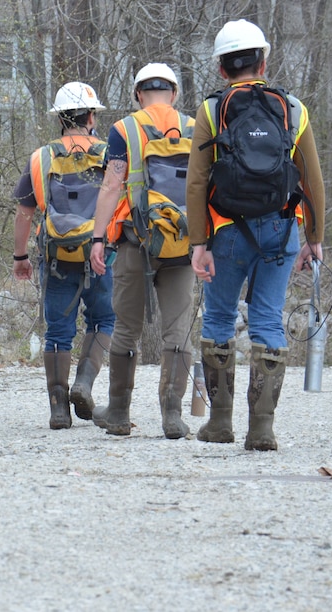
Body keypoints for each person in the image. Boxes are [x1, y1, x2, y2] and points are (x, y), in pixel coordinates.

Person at [187, 19, 325, 451]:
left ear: (221, 68)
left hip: (226, 231)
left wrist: (198, 243)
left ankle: (220, 423)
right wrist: (314, 237)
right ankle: (261, 429)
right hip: (283, 228)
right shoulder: (293, 109)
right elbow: (313, 179)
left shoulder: (212, 110)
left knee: (219, 317)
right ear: (264, 60)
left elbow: (196, 182)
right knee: (267, 317)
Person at [88, 63, 197, 439]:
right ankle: (172, 415)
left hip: (136, 241)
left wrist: (97, 238)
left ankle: (118, 412)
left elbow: (110, 186)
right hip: (184, 244)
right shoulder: (196, 128)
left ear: (137, 94)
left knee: (126, 327)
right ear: (175, 93)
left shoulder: (124, 129)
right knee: (178, 330)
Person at [13, 82, 115, 429]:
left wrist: (19, 257)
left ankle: (59, 409)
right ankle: (84, 384)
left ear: (60, 119)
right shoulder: (109, 155)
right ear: (90, 117)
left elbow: (25, 212)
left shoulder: (41, 158)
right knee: (104, 320)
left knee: (57, 331)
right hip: (102, 255)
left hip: (56, 256)